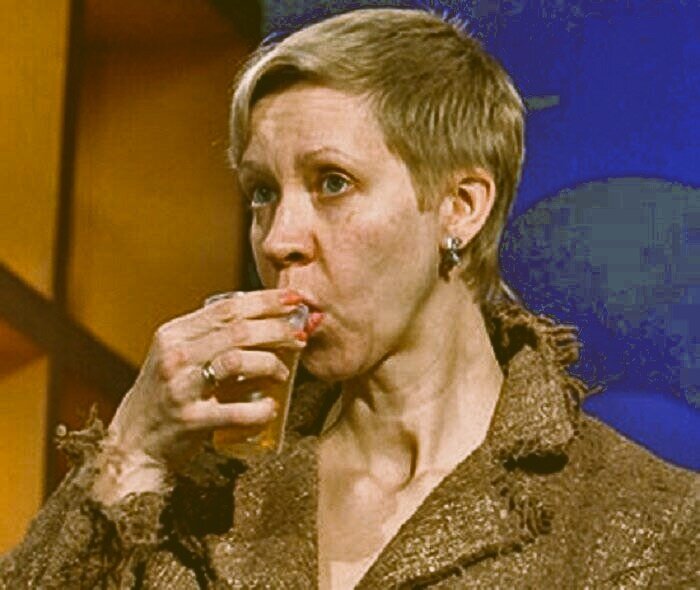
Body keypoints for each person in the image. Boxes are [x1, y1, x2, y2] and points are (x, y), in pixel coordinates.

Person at [1, 7, 697, 589]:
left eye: (332, 182)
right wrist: (132, 450)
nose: (279, 238)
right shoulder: (200, 495)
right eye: (262, 192)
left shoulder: (642, 521)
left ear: (460, 206)